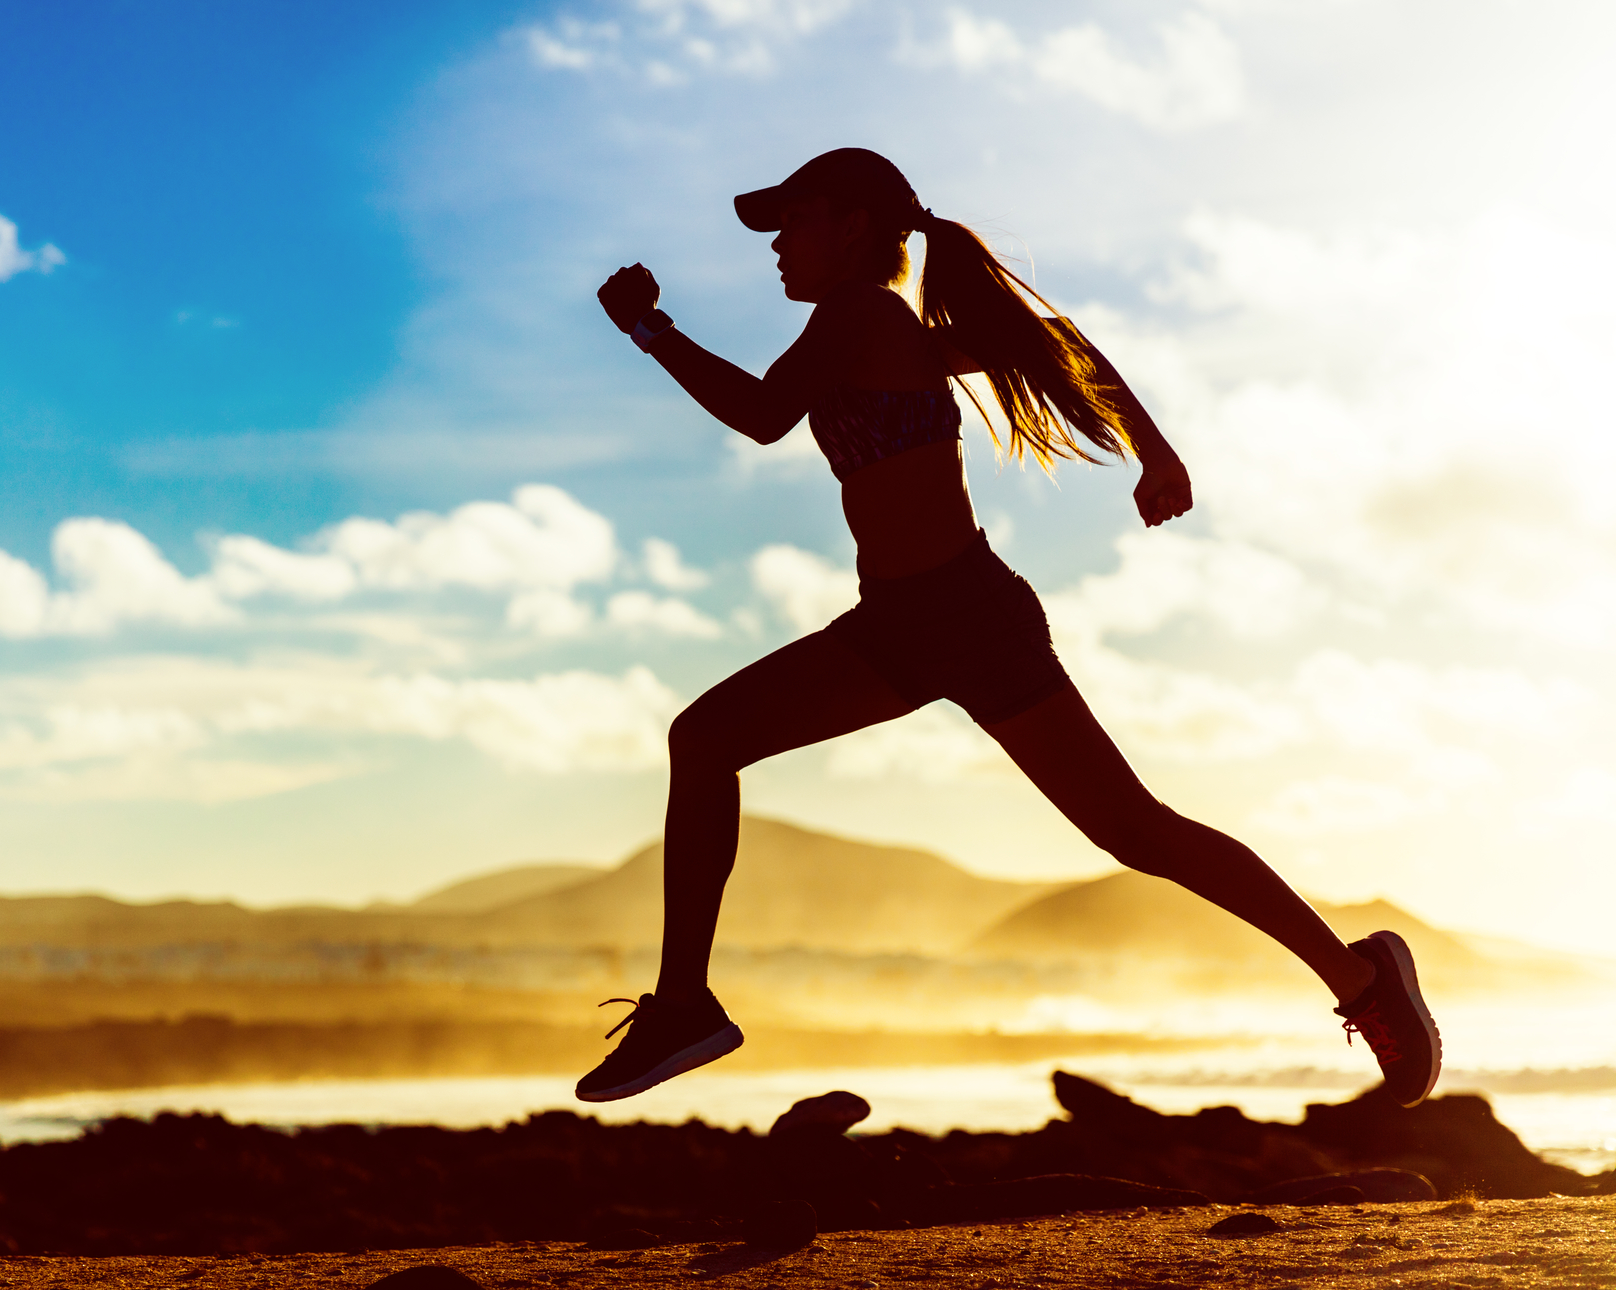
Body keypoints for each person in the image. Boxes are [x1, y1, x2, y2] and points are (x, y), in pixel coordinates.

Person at [578, 148, 1441, 1110]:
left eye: (795, 220)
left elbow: (763, 414)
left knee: (1134, 830)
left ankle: (1363, 978)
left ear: (854, 225)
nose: (778, 245)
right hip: (902, 627)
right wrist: (1152, 454)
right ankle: (685, 1004)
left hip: (964, 616)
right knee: (710, 742)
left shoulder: (856, 316)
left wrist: (650, 330)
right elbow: (1058, 343)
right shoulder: (886, 331)